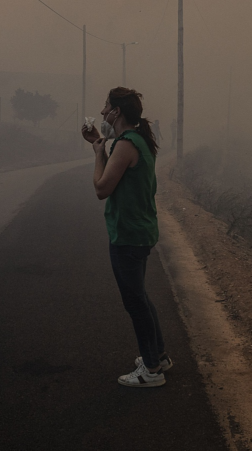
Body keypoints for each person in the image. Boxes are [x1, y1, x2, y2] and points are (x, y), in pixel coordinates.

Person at [81, 87, 171, 387]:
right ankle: (158, 355)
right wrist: (99, 143)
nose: (103, 112)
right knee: (141, 297)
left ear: (117, 112)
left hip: (129, 235)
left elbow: (101, 189)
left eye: (106, 107)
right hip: (139, 230)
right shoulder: (135, 140)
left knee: (135, 302)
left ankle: (152, 371)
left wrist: (97, 154)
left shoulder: (125, 144)